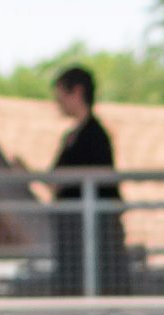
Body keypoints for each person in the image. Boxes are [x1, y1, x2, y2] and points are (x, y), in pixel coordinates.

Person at [48, 65, 128, 295]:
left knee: (102, 286)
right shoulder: (74, 135)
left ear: (77, 92)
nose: (58, 102)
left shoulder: (94, 135)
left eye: (61, 94)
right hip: (74, 230)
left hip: (94, 232)